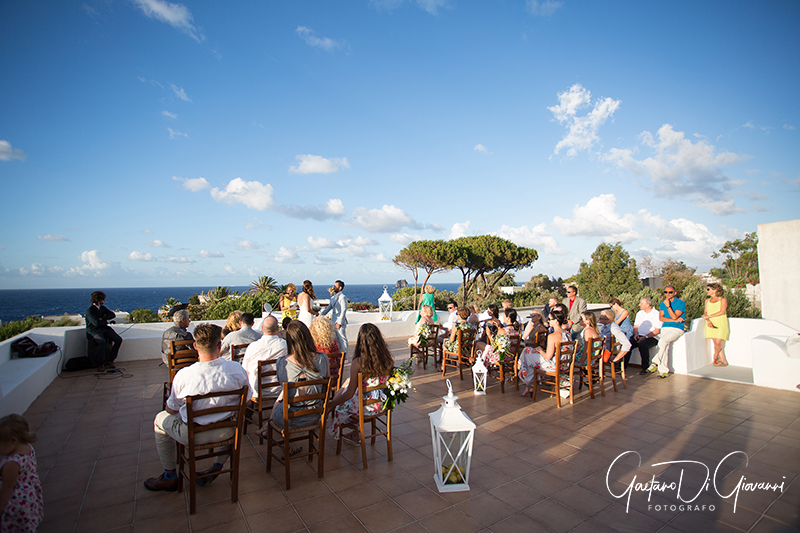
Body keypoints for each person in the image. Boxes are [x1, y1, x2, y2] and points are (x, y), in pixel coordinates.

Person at [144, 323, 252, 492]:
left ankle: (170, 476)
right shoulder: (236, 370)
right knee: (230, 418)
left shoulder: (185, 375)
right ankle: (217, 465)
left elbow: (171, 408)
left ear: (195, 345)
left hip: (192, 434)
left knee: (160, 419)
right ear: (219, 345)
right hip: (227, 431)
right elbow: (246, 402)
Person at [327, 323, 394, 443]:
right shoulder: (388, 360)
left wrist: (332, 404)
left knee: (341, 406)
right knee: (348, 389)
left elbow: (349, 394)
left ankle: (354, 432)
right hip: (381, 405)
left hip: (365, 408)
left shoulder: (358, 363)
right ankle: (354, 434)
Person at [268, 322, 329, 445]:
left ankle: (269, 429)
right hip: (315, 414)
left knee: (282, 397)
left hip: (289, 418)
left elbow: (282, 384)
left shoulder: (283, 362)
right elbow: (326, 382)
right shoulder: (322, 358)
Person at [0, 414, 43, 533]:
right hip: (30, 496)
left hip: (16, 502)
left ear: (13, 440)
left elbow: (7, 487)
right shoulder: (27, 448)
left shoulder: (12, 463)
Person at [518, 310, 571, 397]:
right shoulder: (567, 333)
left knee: (526, 352)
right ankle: (530, 385)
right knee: (528, 354)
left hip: (554, 366)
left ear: (556, 321)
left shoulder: (553, 336)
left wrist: (540, 350)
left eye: (550, 319)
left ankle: (529, 383)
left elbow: (548, 356)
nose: (548, 321)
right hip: (565, 365)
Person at [241, 316, 287, 399]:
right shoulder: (285, 345)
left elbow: (245, 370)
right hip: (281, 390)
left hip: (258, 391)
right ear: (277, 328)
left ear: (262, 328)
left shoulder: (252, 347)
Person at [648, 286, 686, 378]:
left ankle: (655, 362)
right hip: (665, 328)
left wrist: (668, 306)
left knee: (662, 341)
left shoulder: (681, 303)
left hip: (677, 329)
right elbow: (661, 318)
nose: (668, 294)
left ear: (675, 293)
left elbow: (674, 316)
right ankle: (663, 371)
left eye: (670, 292)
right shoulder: (662, 303)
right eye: (666, 292)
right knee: (664, 347)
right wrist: (675, 320)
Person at [85, 290, 123, 371]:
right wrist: (103, 320)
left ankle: (110, 360)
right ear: (99, 300)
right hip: (94, 331)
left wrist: (102, 318)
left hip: (104, 328)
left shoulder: (102, 308)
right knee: (102, 341)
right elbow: (96, 323)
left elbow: (112, 315)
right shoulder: (90, 310)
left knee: (118, 339)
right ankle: (100, 363)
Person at [703, 283, 730, 367]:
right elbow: (705, 313)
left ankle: (715, 357)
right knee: (715, 343)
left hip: (720, 322)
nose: (706, 291)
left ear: (715, 290)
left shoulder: (722, 299)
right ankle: (723, 361)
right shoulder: (707, 300)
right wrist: (708, 320)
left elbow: (722, 311)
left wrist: (709, 316)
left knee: (718, 342)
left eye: (708, 289)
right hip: (711, 323)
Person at [633, 297, 661, 374]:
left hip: (651, 337)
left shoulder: (656, 314)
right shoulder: (639, 313)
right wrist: (636, 334)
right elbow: (636, 326)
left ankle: (644, 367)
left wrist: (645, 337)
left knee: (643, 345)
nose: (639, 305)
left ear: (648, 305)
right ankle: (622, 365)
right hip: (639, 335)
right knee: (628, 343)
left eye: (641, 303)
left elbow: (657, 330)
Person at [320, 280, 348, 353]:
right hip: (333, 321)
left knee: (342, 339)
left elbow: (343, 310)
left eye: (335, 286)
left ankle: (345, 357)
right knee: (336, 340)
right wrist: (320, 315)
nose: (333, 287)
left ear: (340, 288)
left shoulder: (342, 297)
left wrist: (339, 322)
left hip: (340, 322)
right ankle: (339, 356)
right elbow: (329, 307)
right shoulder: (333, 298)